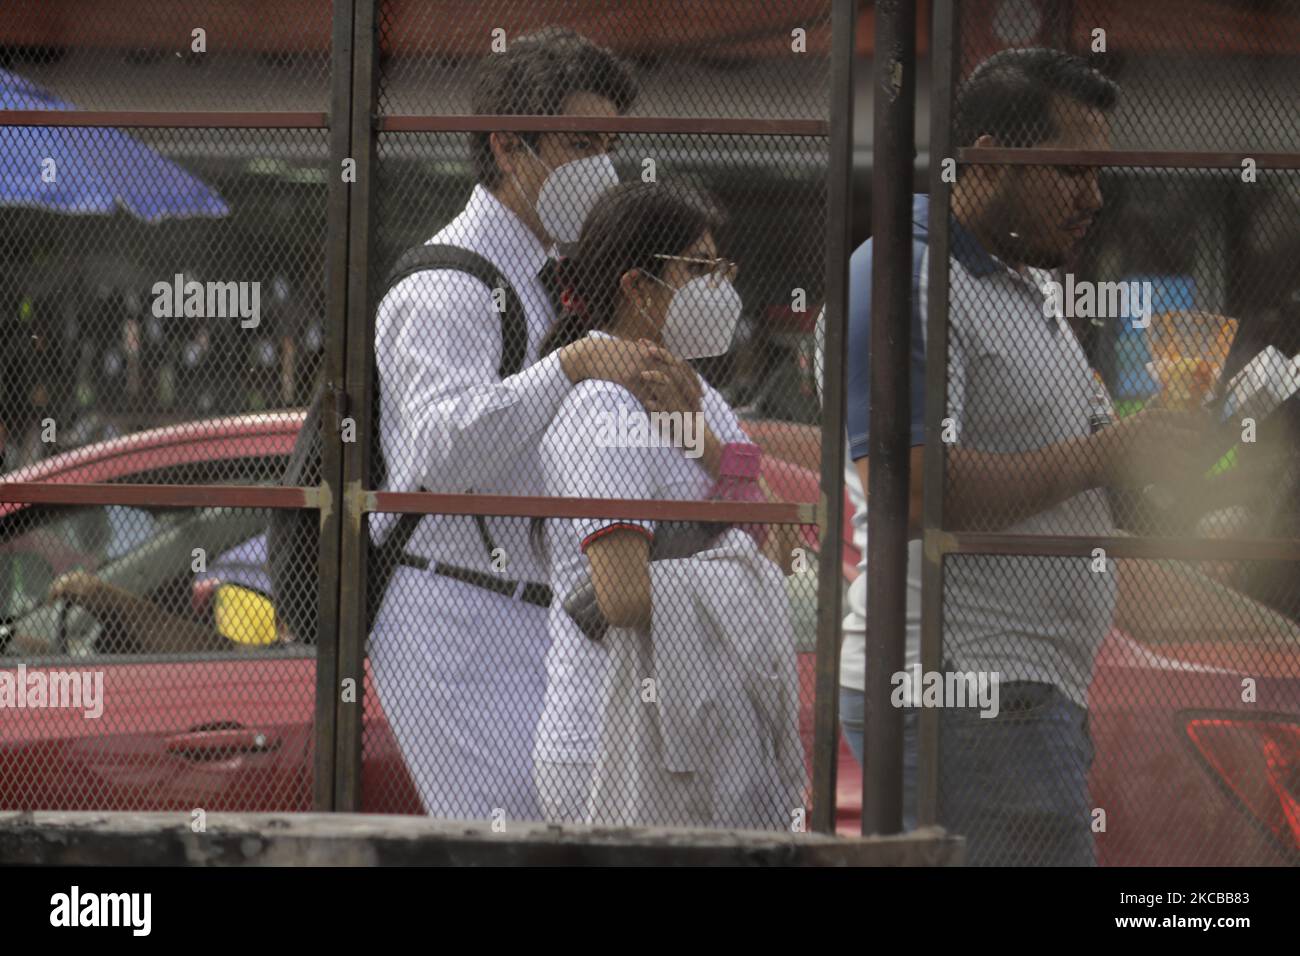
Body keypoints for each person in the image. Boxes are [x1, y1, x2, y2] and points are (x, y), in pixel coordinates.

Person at [846, 48, 1207, 865]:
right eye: (1069, 171)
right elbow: (908, 488)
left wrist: (1155, 455)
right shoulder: (907, 271)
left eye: (1098, 172)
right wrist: (1108, 452)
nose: (1094, 197)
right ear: (986, 157)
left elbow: (1090, 480)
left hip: (1024, 694)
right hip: (965, 686)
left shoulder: (1025, 287)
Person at [368, 28, 703, 822]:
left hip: (541, 610)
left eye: (611, 144)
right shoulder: (445, 285)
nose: (603, 168)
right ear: (509, 149)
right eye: (581, 144)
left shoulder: (559, 277)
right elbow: (437, 452)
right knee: (516, 836)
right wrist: (572, 366)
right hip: (454, 611)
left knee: (567, 827)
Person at [530, 182, 806, 827]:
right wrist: (736, 575)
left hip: (695, 732)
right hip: (609, 747)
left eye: (722, 269)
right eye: (698, 269)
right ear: (639, 287)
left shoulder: (695, 394)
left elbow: (781, 538)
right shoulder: (600, 410)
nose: (719, 288)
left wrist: (703, 441)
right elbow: (623, 597)